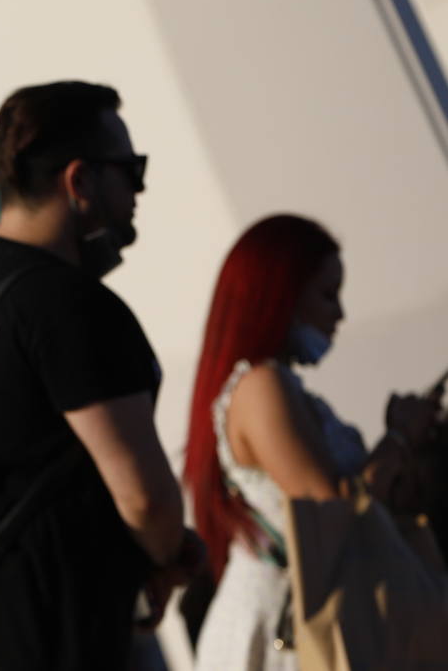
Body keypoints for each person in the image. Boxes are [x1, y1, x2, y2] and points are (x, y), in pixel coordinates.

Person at [0, 81, 200, 671]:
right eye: (130, 170)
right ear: (80, 181)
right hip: (53, 631)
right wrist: (173, 553)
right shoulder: (72, 307)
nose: (138, 191)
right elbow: (144, 497)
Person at [183, 214, 442, 670]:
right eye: (327, 295)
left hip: (305, 621)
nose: (339, 314)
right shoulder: (260, 385)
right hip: (279, 633)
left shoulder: (281, 387)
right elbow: (329, 508)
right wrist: (399, 437)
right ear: (280, 295)